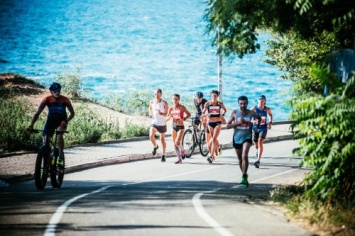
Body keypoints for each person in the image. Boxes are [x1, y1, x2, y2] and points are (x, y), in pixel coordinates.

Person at [27, 82, 75, 167]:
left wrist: (66, 121)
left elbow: (72, 114)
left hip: (61, 122)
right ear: (51, 91)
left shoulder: (65, 100)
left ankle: (60, 155)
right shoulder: (47, 100)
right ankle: (47, 158)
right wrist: (31, 125)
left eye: (59, 90)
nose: (57, 92)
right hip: (50, 122)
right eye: (55, 91)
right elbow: (37, 114)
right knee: (45, 141)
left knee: (59, 135)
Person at [226, 95, 261, 188]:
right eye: (241, 103)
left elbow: (259, 118)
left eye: (244, 103)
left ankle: (244, 175)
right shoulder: (234, 112)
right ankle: (244, 176)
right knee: (240, 159)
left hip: (247, 137)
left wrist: (255, 126)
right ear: (238, 104)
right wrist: (238, 123)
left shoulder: (251, 113)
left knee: (244, 155)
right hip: (237, 138)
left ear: (247, 103)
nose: (243, 105)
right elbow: (227, 126)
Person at [202, 90, 227, 163]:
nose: (214, 97)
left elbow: (225, 110)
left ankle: (211, 156)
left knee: (214, 139)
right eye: (212, 96)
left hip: (217, 123)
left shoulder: (220, 104)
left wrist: (221, 114)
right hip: (210, 123)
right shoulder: (207, 104)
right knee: (213, 139)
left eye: (215, 96)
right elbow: (203, 112)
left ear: (217, 96)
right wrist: (206, 114)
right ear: (211, 96)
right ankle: (217, 149)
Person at [166, 94, 191, 164]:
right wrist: (170, 117)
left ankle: (182, 150)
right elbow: (166, 118)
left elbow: (189, 114)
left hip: (180, 127)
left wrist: (184, 119)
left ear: (179, 100)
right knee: (174, 144)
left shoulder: (182, 107)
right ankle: (179, 159)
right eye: (173, 99)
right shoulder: (171, 108)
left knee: (177, 142)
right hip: (173, 126)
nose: (175, 101)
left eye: (176, 99)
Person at [251, 95, 273, 168]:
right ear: (258, 101)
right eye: (260, 99)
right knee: (256, 144)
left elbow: (270, 115)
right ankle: (257, 151)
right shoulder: (254, 108)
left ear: (265, 101)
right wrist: (252, 121)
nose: (261, 101)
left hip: (263, 128)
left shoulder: (267, 109)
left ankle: (258, 161)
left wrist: (270, 123)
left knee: (260, 141)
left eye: (263, 100)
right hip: (255, 128)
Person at [149, 88, 169, 162]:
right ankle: (155, 146)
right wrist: (150, 114)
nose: (156, 95)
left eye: (158, 93)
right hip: (154, 123)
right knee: (151, 135)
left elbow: (167, 113)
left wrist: (161, 113)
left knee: (162, 140)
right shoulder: (152, 102)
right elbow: (150, 108)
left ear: (161, 94)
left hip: (162, 123)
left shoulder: (164, 103)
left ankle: (163, 155)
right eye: (155, 94)